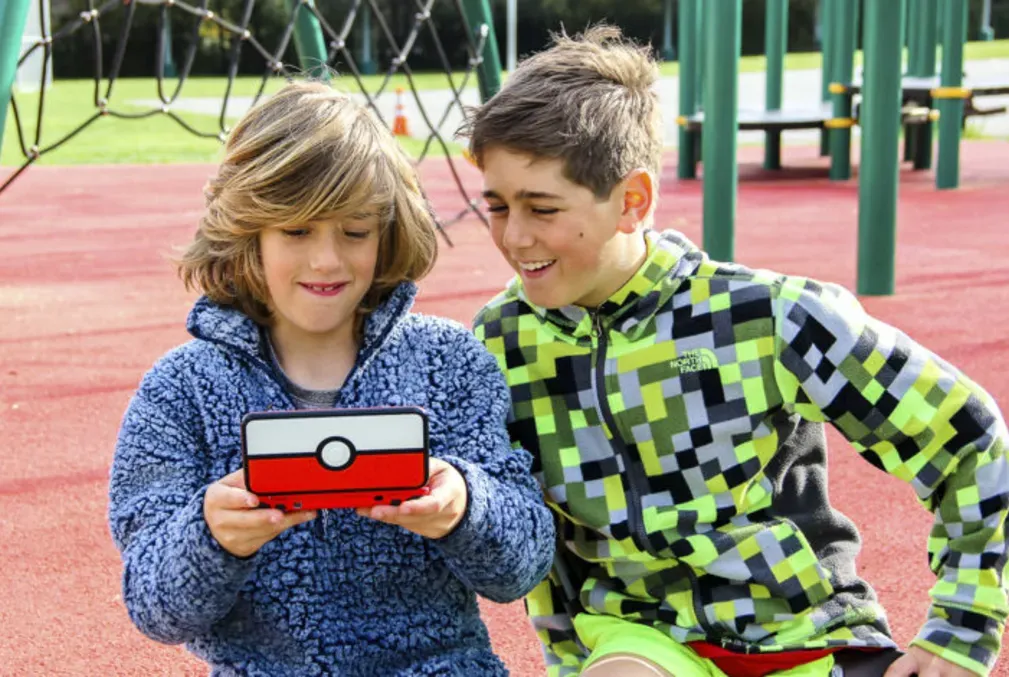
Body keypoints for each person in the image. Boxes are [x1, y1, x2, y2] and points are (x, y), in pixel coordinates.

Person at [464, 25, 1008, 677]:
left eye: (542, 208)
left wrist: (961, 627)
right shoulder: (499, 342)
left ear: (631, 201)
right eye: (497, 207)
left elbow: (967, 439)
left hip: (804, 635)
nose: (514, 238)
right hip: (637, 639)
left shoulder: (768, 317)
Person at [107, 80, 555, 676]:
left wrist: (465, 506)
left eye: (355, 232)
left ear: (386, 234)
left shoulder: (447, 363)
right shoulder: (182, 390)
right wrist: (211, 535)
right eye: (297, 231)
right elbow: (152, 605)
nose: (327, 260)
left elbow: (523, 566)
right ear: (249, 232)